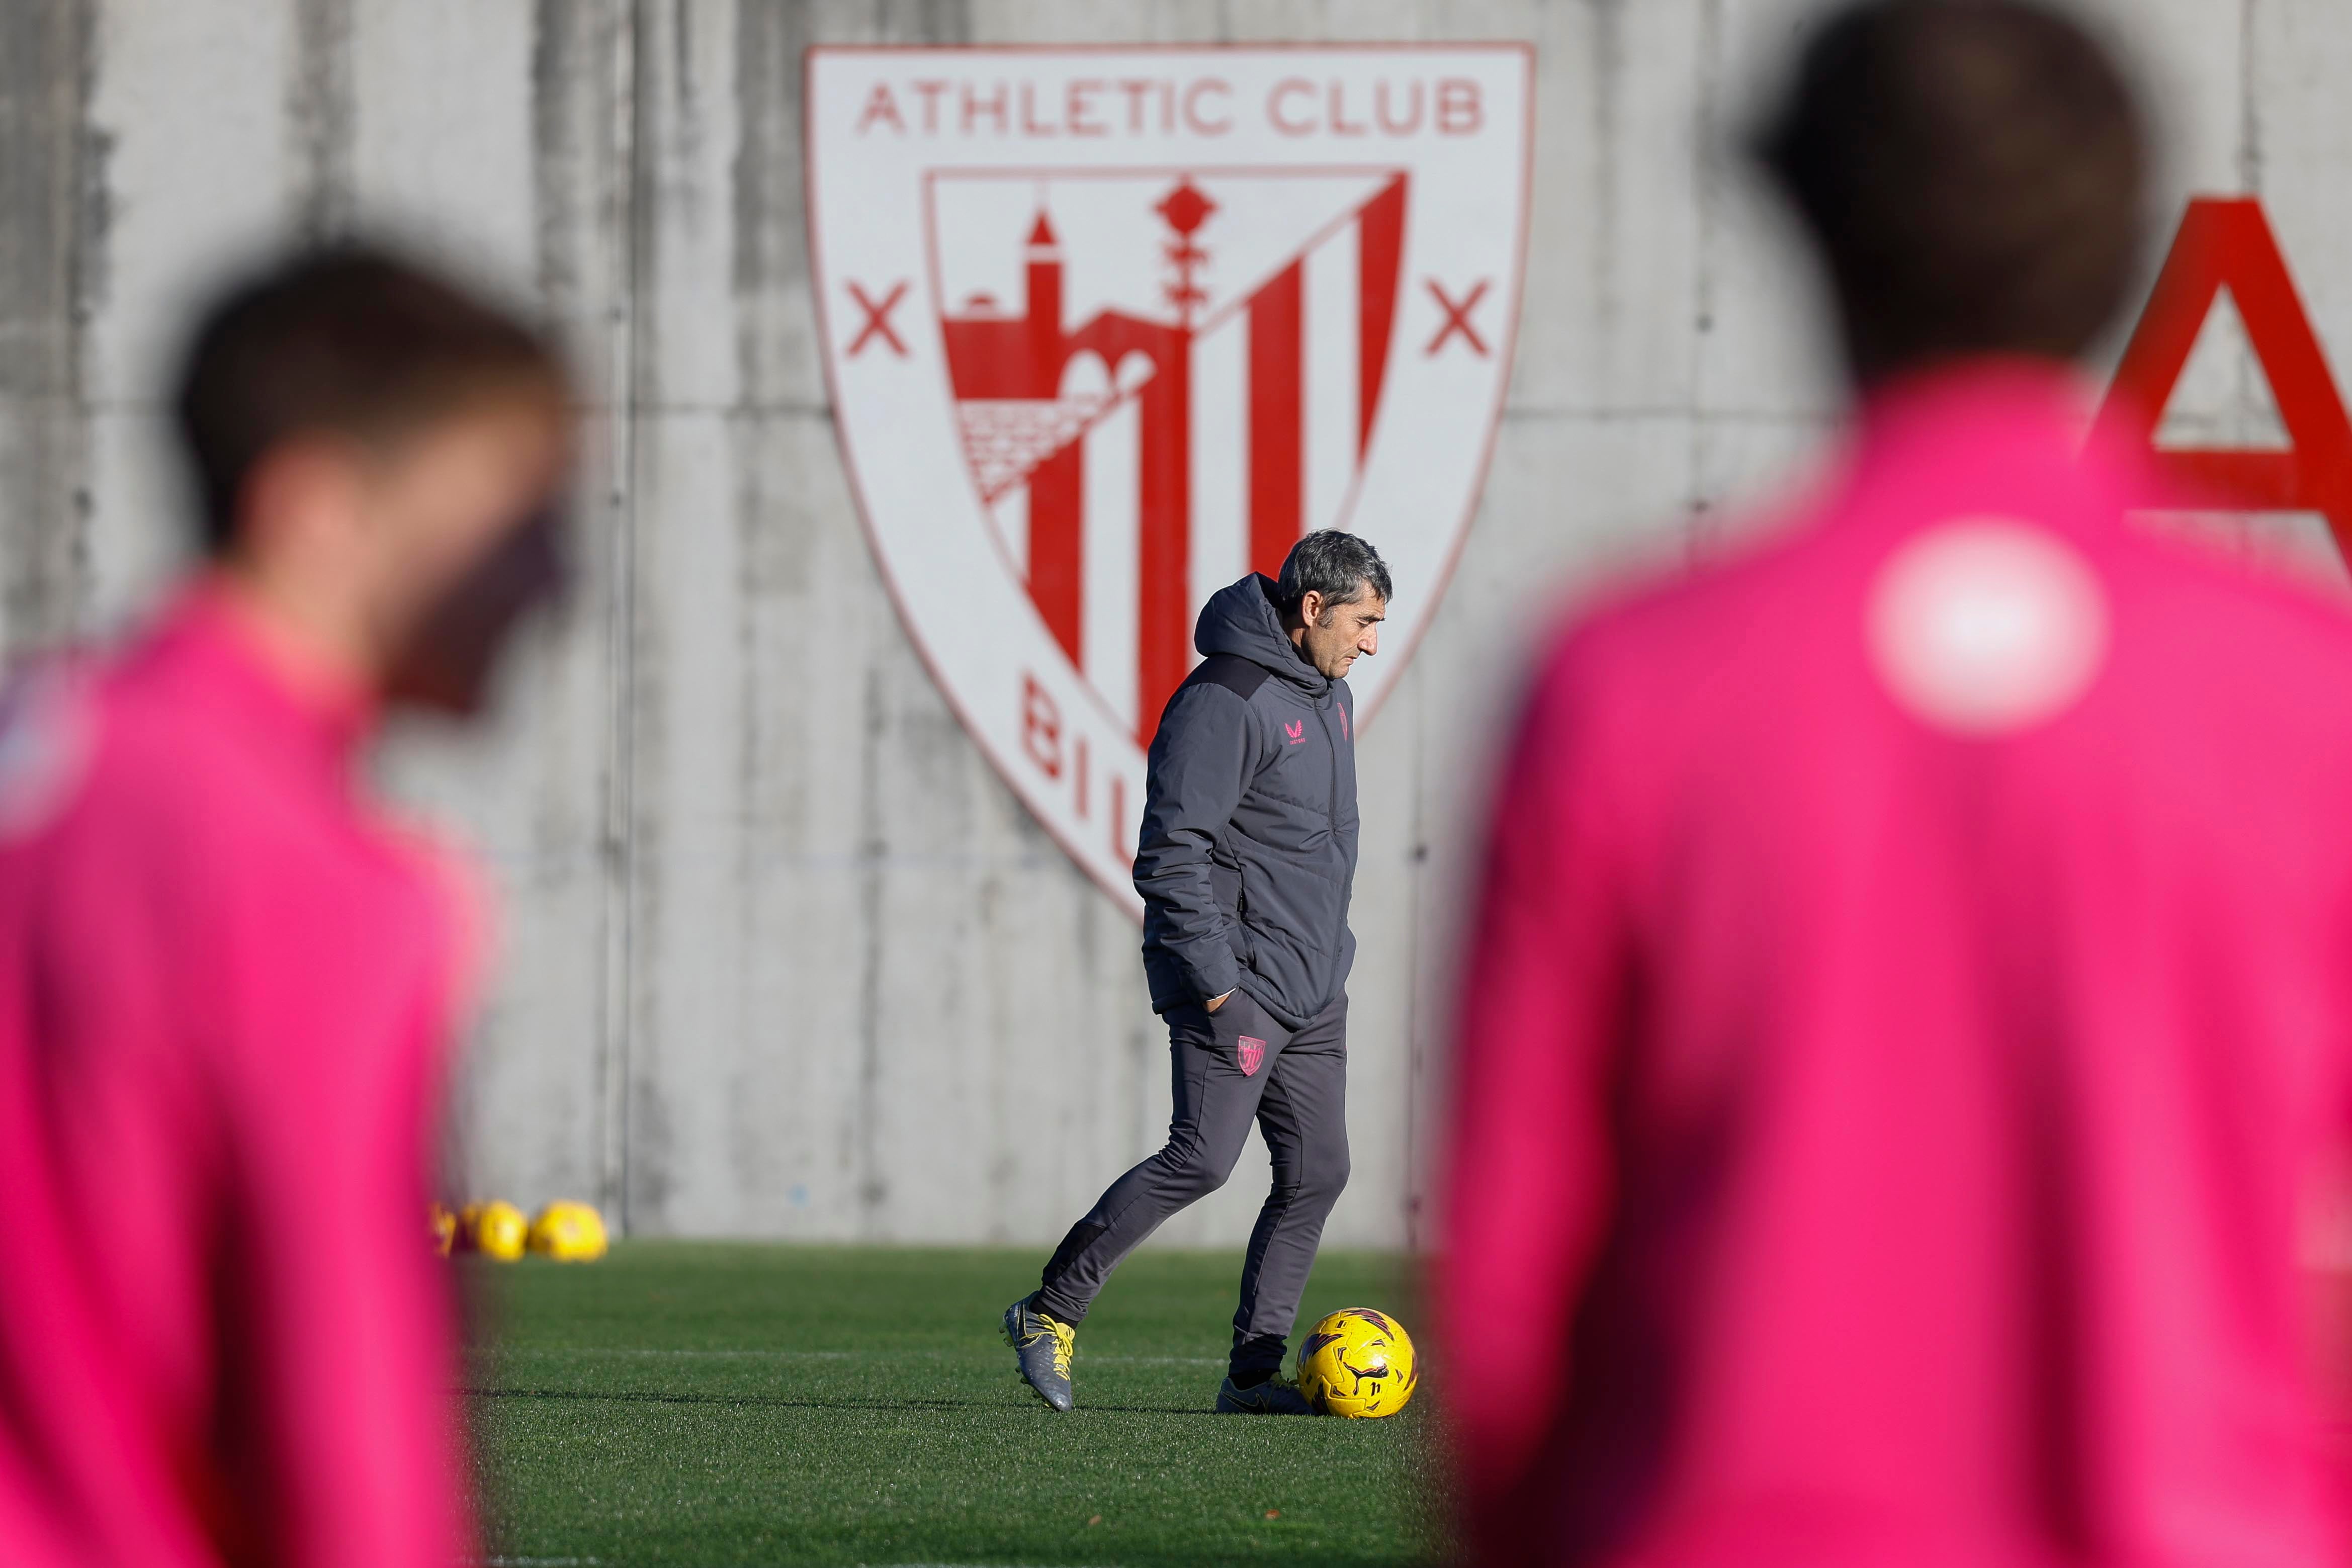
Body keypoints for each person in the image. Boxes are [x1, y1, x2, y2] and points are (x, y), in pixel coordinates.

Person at [1442, 2, 2352, 1563]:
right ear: (2120, 234)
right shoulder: (2303, 689)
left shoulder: (1628, 686)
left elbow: (1512, 1311)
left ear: (1804, 218)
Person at [0, 250, 570, 1565]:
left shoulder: (46, 752)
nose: (549, 580)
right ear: (317, 508)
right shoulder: (318, 879)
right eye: (516, 516)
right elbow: (350, 1454)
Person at [1004, 530, 1388, 1414]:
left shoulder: (1326, 694)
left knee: (1317, 1171)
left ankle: (1251, 1376)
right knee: (1203, 1159)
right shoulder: (1226, 698)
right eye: (1363, 621)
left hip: (1312, 987)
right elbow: (1171, 852)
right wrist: (1219, 984)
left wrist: (1326, 964)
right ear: (1312, 609)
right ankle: (1048, 1311)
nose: (1372, 642)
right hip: (1239, 983)